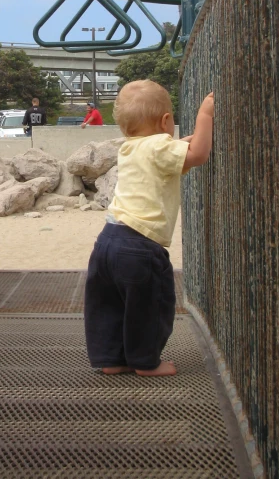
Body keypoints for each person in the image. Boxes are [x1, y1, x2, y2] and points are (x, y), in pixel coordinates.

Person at [84, 79, 214, 377]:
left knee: (107, 305)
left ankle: (110, 359)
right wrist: (205, 116)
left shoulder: (130, 148)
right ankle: (146, 362)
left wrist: (183, 141)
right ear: (166, 120)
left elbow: (171, 152)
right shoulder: (160, 146)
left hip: (107, 241)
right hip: (140, 247)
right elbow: (198, 155)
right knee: (150, 305)